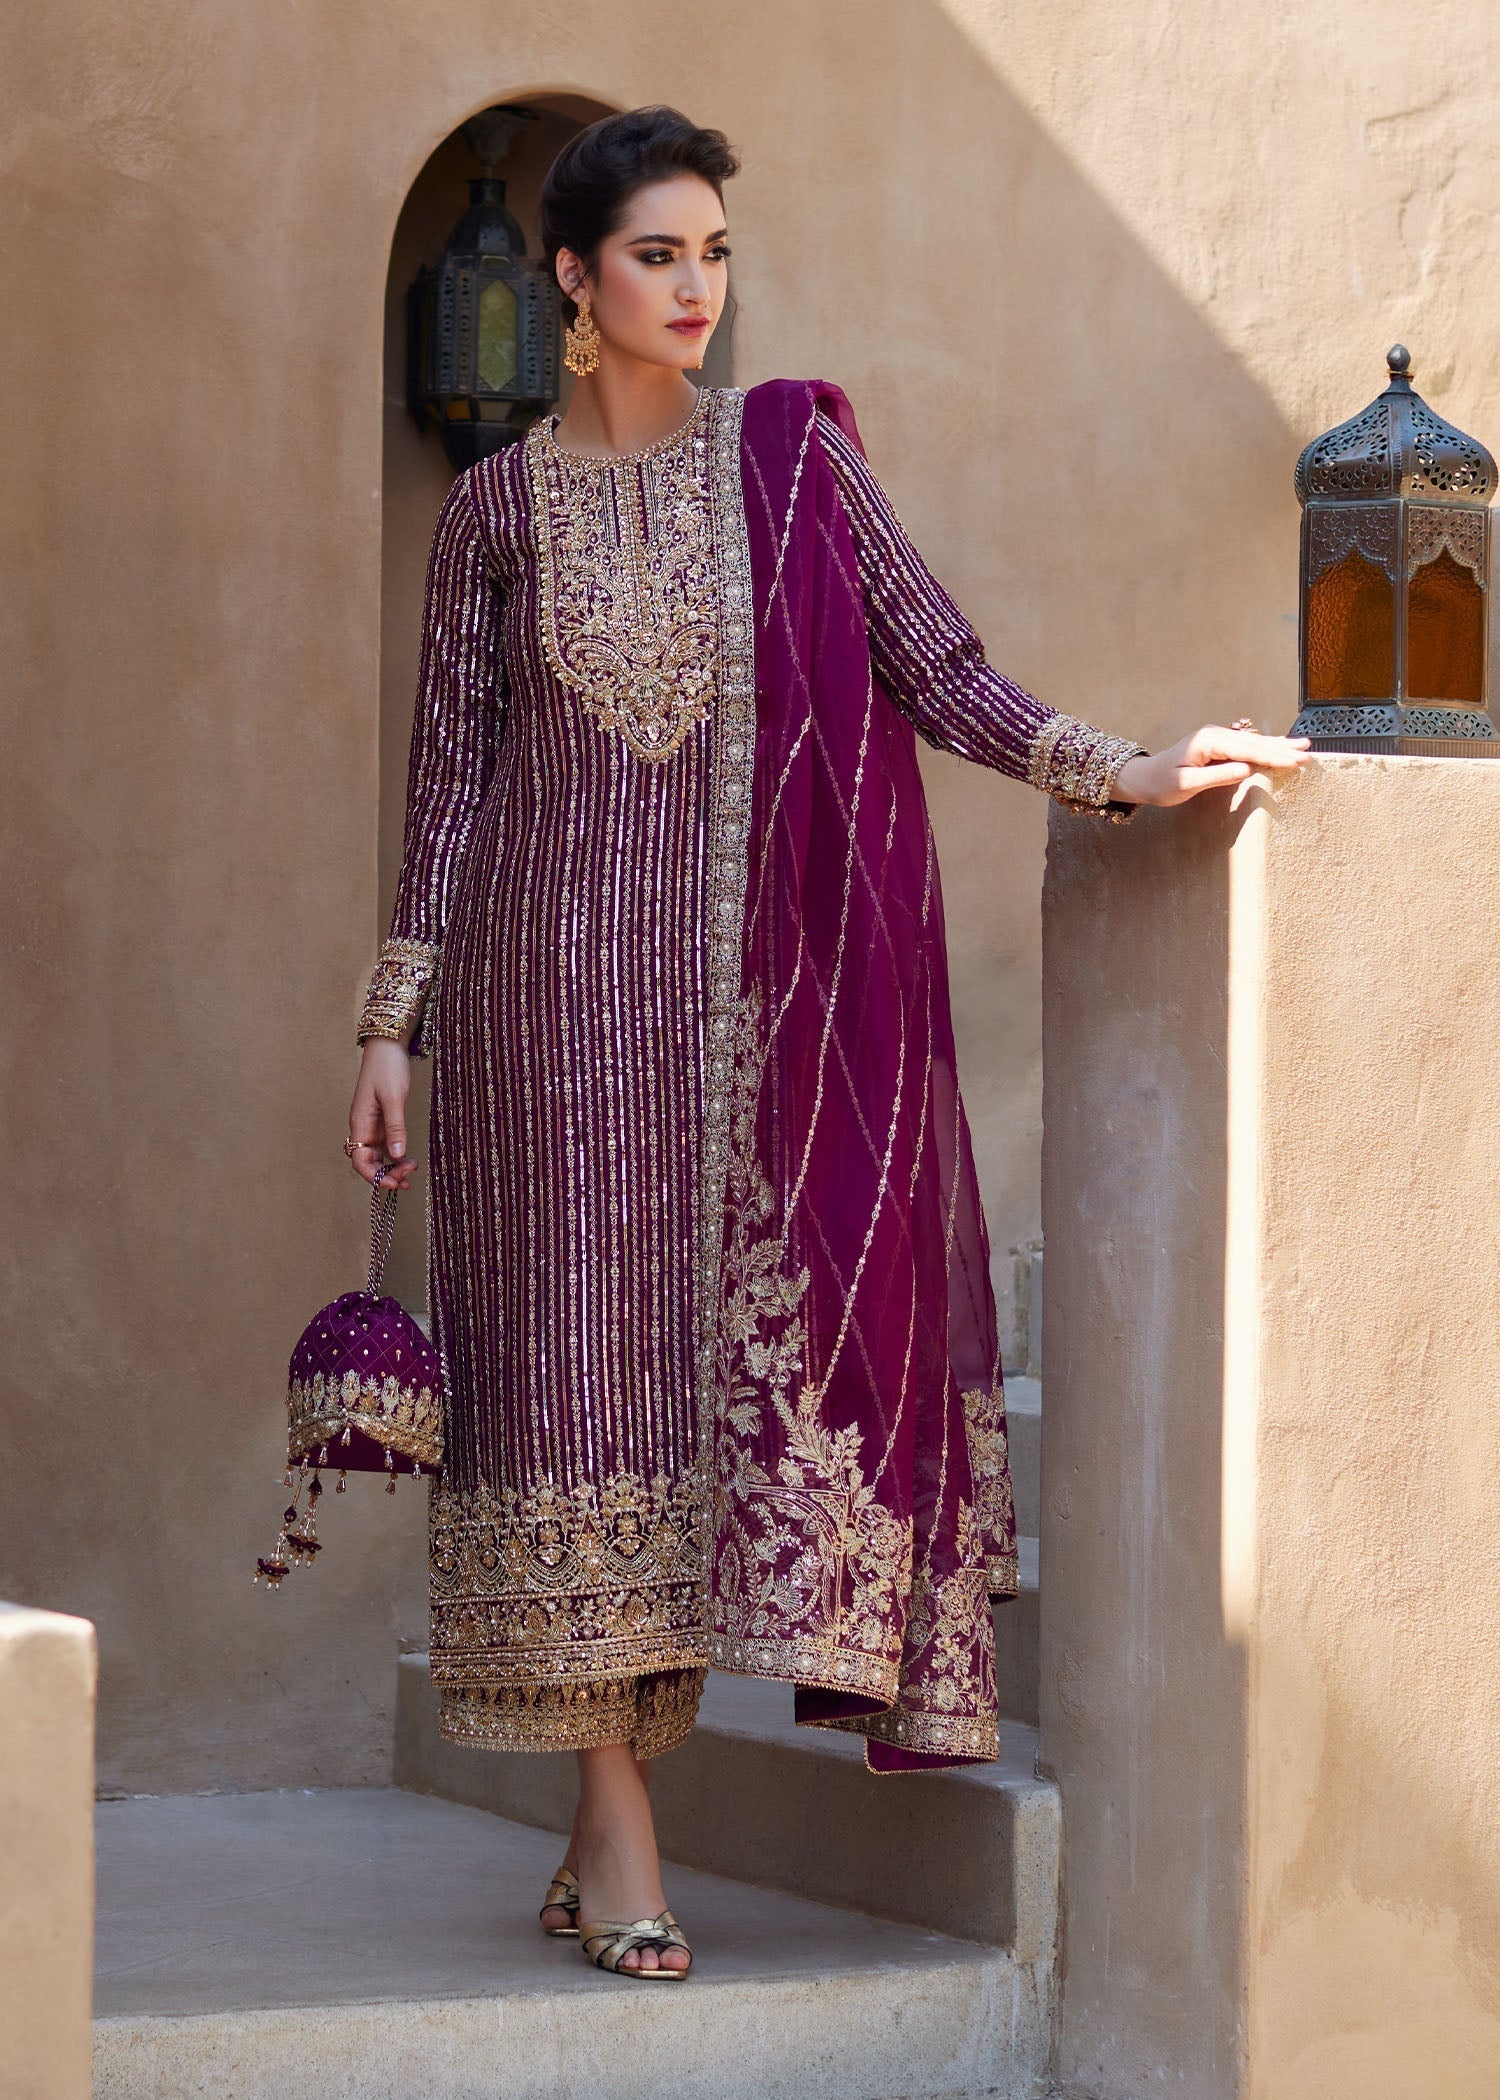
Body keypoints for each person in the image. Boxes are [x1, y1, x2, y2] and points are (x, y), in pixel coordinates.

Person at [347, 105, 1312, 1981]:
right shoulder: (493, 514)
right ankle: (619, 1816)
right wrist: (394, 1029)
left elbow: (935, 665)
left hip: (739, 1024)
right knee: (568, 1403)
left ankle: (606, 1831)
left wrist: (1125, 769)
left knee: (687, 1402)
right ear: (573, 279)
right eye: (657, 255)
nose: (695, 286)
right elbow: (450, 782)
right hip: (540, 1021)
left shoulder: (790, 462)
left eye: (713, 252)